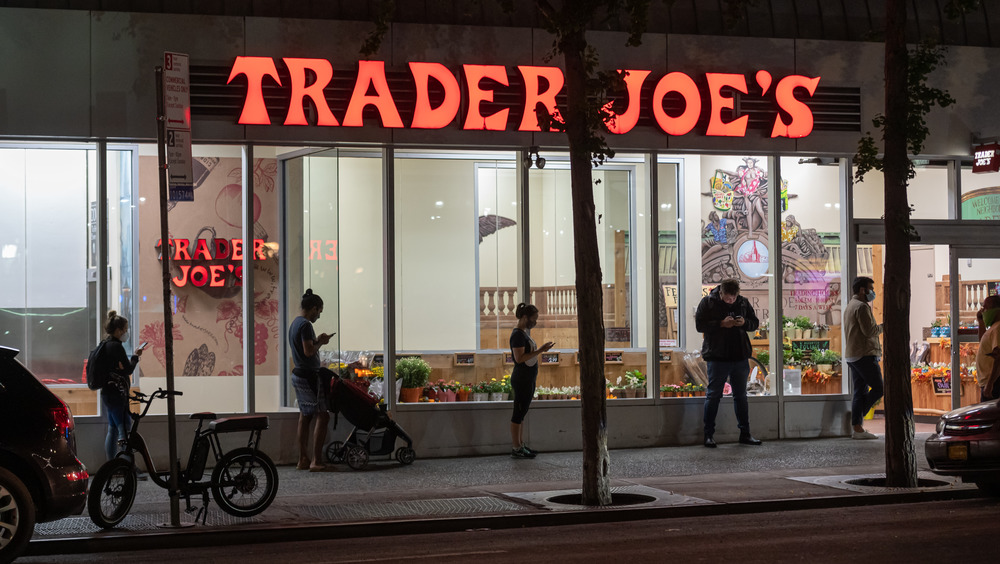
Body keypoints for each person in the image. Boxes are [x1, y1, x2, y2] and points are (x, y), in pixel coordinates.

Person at [695, 278, 762, 447]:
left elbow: (754, 323)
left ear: (737, 294)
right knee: (713, 395)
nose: (730, 301)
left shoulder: (743, 303)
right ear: (721, 292)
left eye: (733, 298)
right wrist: (720, 324)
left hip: (739, 356)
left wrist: (744, 323)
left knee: (741, 396)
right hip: (717, 357)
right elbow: (699, 325)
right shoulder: (708, 302)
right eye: (727, 298)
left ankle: (745, 433)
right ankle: (708, 435)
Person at [289, 289, 333, 471]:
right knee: (323, 415)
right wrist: (321, 342)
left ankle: (303, 460)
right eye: (319, 312)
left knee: (305, 416)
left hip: (298, 374)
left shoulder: (295, 323)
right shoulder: (306, 325)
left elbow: (304, 348)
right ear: (313, 308)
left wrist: (317, 341)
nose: (319, 316)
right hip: (309, 376)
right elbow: (308, 352)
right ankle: (316, 461)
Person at [509, 302, 554, 459]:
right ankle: (516, 447)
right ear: (525, 317)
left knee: (522, 413)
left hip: (528, 378)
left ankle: (520, 445)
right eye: (533, 319)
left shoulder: (523, 334)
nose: (535, 322)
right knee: (518, 412)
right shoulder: (517, 335)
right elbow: (519, 358)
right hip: (521, 378)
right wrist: (541, 350)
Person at [99, 311, 144, 461]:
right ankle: (126, 464)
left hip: (108, 393)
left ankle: (111, 463)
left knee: (112, 429)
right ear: (118, 330)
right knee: (124, 429)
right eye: (125, 329)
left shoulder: (104, 345)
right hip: (117, 395)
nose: (126, 332)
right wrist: (136, 356)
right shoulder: (116, 347)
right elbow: (128, 369)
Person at [843, 276, 884, 439]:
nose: (872, 292)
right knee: (879, 388)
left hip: (853, 355)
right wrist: (884, 326)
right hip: (864, 354)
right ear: (862, 290)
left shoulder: (850, 306)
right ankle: (857, 419)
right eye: (870, 289)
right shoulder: (862, 307)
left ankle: (857, 428)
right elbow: (870, 331)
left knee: (859, 391)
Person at [975, 295, 1000, 401]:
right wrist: (981, 321)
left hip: (994, 383)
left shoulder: (998, 328)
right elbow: (983, 342)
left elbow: (998, 357)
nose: (983, 311)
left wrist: (990, 384)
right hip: (988, 382)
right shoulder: (993, 328)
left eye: (986, 308)